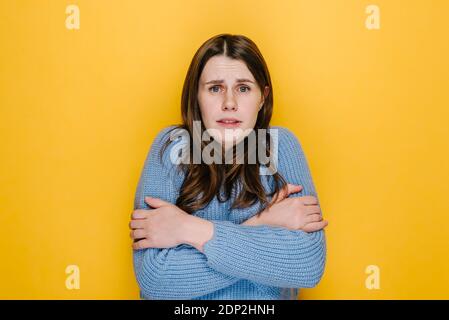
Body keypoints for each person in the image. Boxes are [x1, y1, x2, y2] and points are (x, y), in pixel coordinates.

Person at [129, 33, 329, 300]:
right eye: (215, 88)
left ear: (262, 97)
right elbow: (157, 279)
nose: (230, 103)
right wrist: (262, 225)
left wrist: (189, 229)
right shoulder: (171, 148)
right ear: (196, 96)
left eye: (244, 88)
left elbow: (307, 266)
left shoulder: (281, 147)